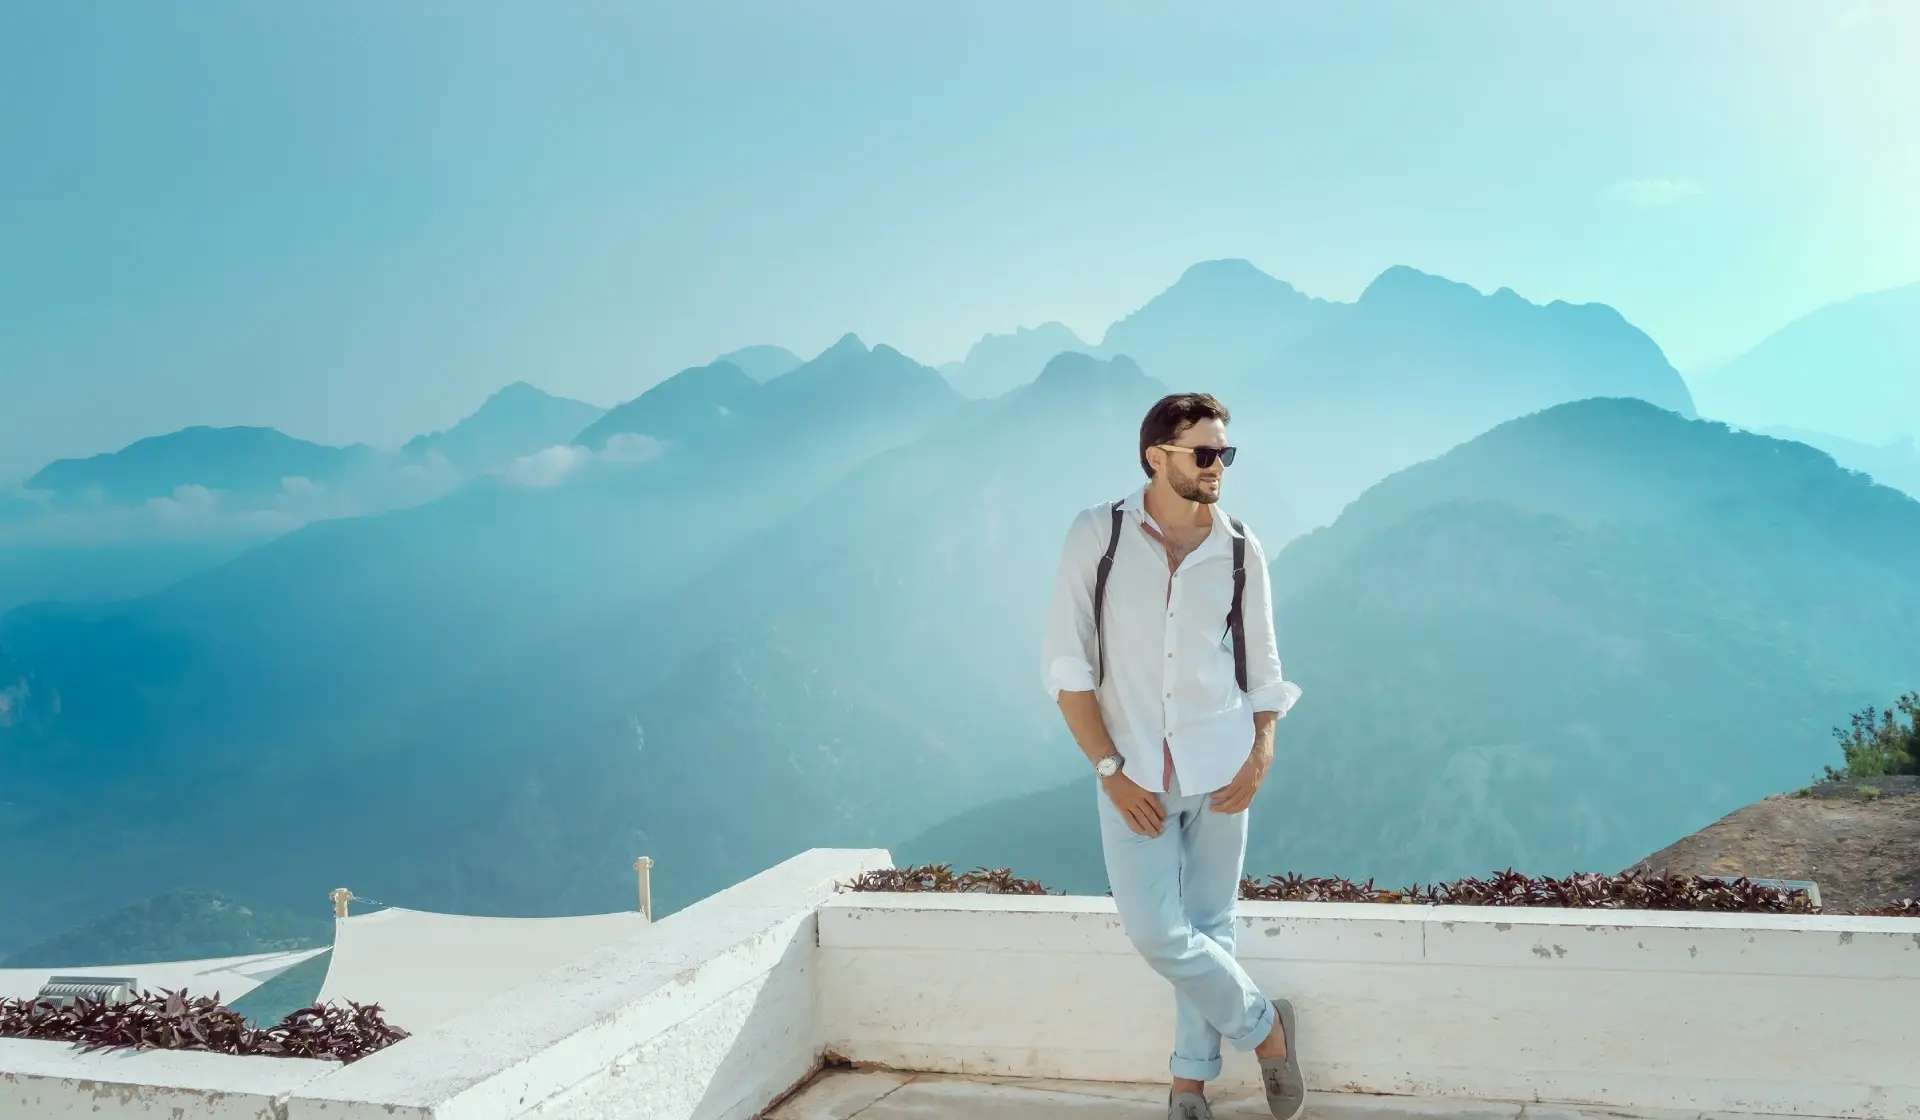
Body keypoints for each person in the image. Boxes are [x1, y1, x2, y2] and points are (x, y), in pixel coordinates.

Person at [1040, 392, 1305, 1120]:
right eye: (1204, 452)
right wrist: (1109, 772)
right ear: (1157, 457)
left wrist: (1263, 755)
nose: (1219, 465)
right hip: (1131, 775)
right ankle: (1265, 1027)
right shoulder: (1098, 535)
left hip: (1221, 764)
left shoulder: (1241, 548)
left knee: (1210, 925)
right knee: (1158, 930)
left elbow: (1264, 667)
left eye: (1225, 452)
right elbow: (1067, 666)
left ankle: (1189, 1085)